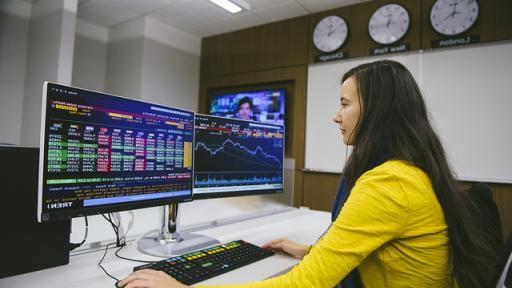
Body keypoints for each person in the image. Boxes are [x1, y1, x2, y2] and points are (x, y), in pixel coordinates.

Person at [118, 60, 501, 288]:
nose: (336, 115)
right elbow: (376, 248)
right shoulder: (411, 170)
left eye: (345, 104)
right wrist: (309, 250)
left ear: (377, 112)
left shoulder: (390, 182)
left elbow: (306, 283)